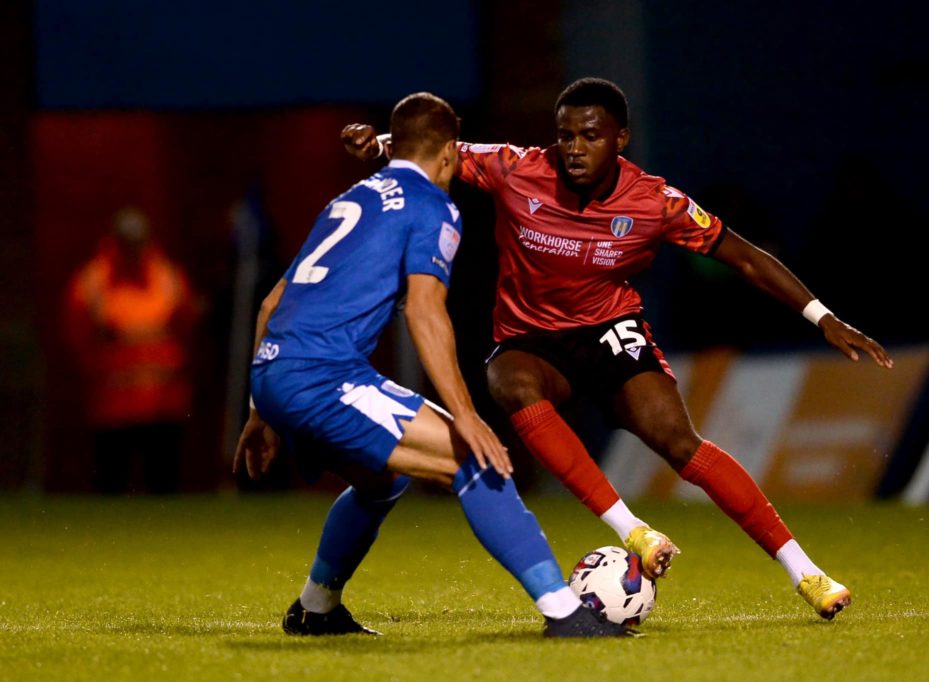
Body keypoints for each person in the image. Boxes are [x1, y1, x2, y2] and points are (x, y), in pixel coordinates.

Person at [342, 78, 894, 620]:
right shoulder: (517, 169)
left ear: (621, 139)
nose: (575, 149)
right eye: (565, 136)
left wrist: (823, 318)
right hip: (530, 339)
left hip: (609, 332)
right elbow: (436, 152)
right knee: (508, 381)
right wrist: (378, 145)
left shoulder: (655, 201)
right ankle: (633, 529)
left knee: (681, 444)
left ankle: (806, 572)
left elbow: (744, 257)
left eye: (590, 135)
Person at [233, 92, 631, 638]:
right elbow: (425, 309)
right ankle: (565, 613)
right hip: (323, 378)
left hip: (274, 371)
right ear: (447, 154)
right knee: (478, 460)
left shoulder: (351, 199)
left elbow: (272, 303)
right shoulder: (432, 205)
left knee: (380, 481)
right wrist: (465, 414)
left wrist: (260, 410)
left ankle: (315, 607)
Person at [64, 208, 197, 494]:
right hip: (112, 405)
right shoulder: (93, 282)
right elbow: (78, 337)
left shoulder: (167, 277)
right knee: (111, 485)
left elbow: (186, 327)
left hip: (163, 402)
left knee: (163, 487)